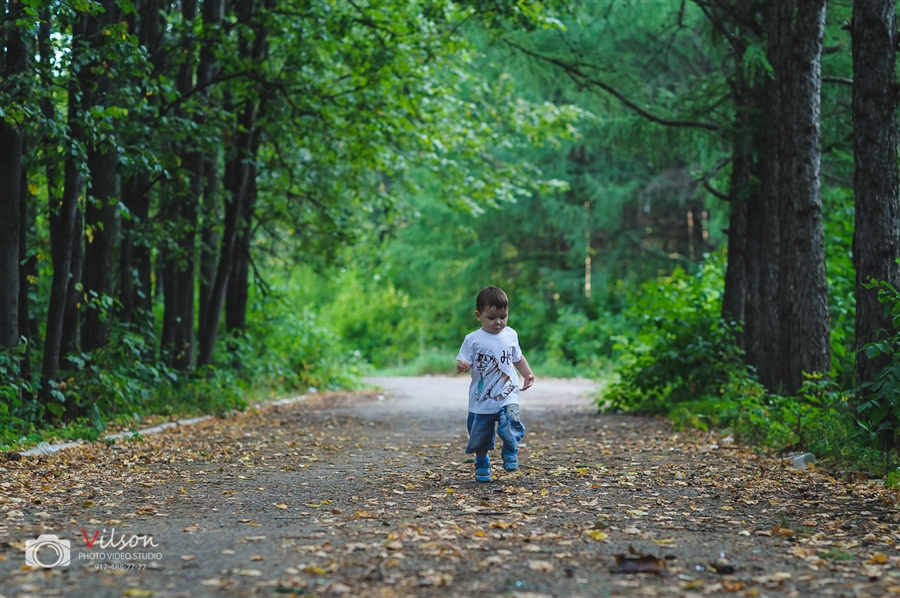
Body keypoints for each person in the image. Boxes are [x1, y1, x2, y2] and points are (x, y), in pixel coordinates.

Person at [456, 285, 535, 482]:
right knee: (480, 435)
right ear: (478, 315)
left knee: (510, 420)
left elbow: (517, 357)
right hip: (481, 400)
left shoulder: (511, 335)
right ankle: (482, 463)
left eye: (503, 316)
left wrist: (527, 373)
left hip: (508, 393)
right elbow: (463, 360)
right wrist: (463, 365)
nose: (498, 322)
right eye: (491, 318)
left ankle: (510, 450)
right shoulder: (472, 339)